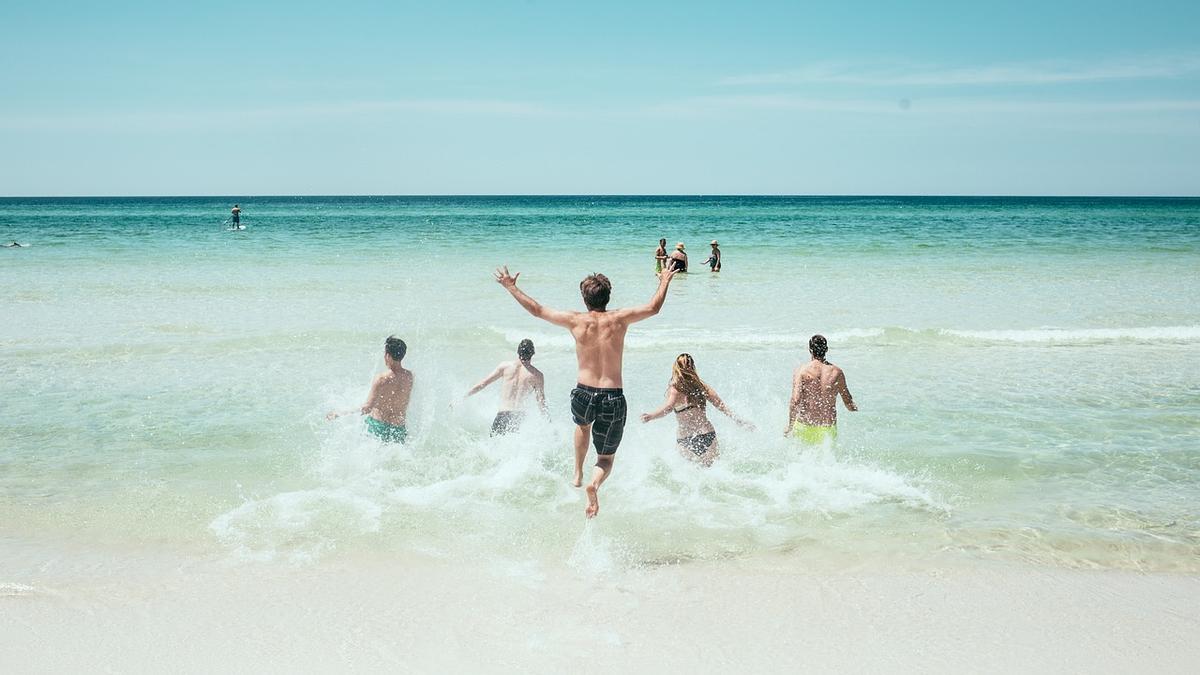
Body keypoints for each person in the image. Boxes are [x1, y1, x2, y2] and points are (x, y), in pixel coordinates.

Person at [494, 264, 678, 518]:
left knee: (582, 427)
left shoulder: (575, 320)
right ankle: (594, 483)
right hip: (613, 395)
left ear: (584, 298)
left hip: (583, 393)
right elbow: (653, 308)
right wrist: (665, 280)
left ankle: (578, 472)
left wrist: (511, 286)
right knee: (606, 459)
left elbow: (536, 310)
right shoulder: (619, 318)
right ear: (608, 296)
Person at [640, 353, 754, 467]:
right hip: (707, 434)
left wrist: (651, 416)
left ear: (676, 368)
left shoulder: (675, 388)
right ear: (693, 367)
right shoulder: (701, 386)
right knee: (713, 472)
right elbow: (720, 405)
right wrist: (738, 420)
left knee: (691, 477)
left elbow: (668, 408)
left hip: (686, 440)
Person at [327, 336, 413, 443]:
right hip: (398, 428)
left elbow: (367, 408)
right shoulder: (409, 377)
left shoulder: (381, 379)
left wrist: (340, 413)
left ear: (388, 355)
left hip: (379, 426)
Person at [463, 338, 549, 435]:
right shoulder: (537, 375)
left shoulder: (505, 367)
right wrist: (548, 422)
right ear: (532, 353)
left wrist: (462, 397)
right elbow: (541, 402)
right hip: (519, 418)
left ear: (518, 351)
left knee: (494, 447)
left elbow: (483, 383)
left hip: (502, 415)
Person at [787, 335, 857, 443]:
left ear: (810, 350)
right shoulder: (836, 372)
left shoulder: (801, 370)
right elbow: (848, 401)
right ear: (827, 350)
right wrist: (854, 408)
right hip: (827, 429)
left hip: (804, 426)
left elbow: (795, 400)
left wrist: (790, 426)